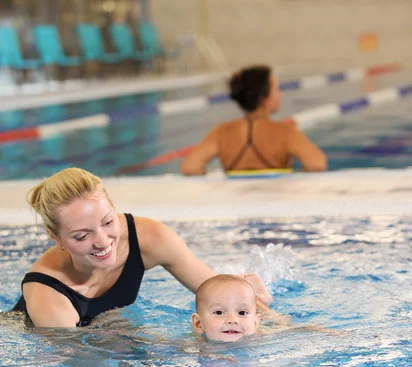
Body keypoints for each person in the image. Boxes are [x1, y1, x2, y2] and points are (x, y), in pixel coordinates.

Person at [12, 168, 277, 328]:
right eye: (82, 236)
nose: (103, 241)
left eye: (107, 222)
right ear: (55, 237)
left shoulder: (148, 237)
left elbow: (217, 289)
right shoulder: (49, 297)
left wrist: (279, 323)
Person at [181, 64, 327, 176]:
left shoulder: (222, 132)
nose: (281, 94)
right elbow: (317, 164)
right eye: (276, 89)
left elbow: (191, 167)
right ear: (264, 99)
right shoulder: (285, 132)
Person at [192, 274, 261, 342]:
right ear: (198, 324)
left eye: (242, 313)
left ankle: (262, 296)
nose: (232, 320)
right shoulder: (193, 349)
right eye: (219, 312)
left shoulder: (261, 340)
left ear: (255, 323)